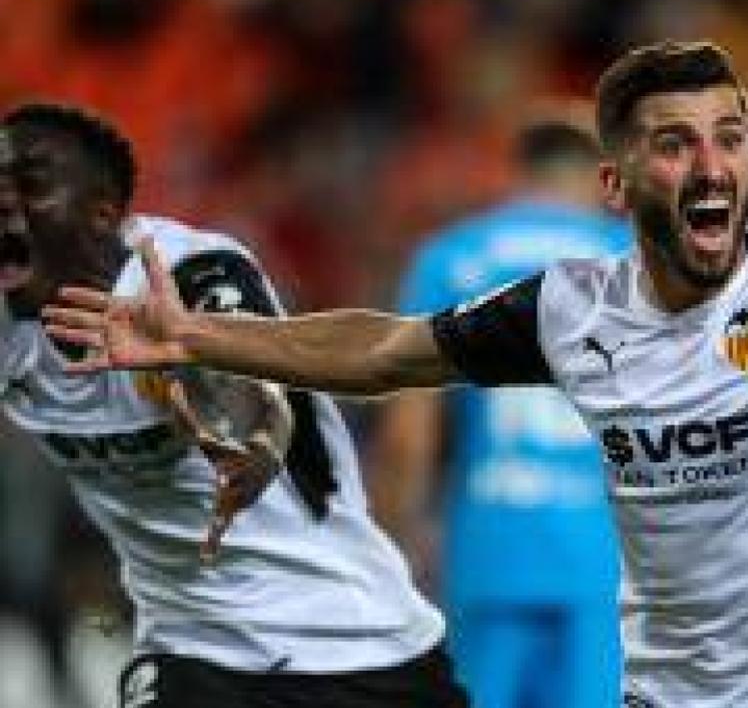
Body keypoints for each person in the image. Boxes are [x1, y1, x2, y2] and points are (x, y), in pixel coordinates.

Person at [45, 41, 748, 708]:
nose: (713, 164)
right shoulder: (572, 307)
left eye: (732, 135)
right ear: (618, 186)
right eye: (677, 143)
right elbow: (387, 350)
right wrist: (200, 336)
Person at [0, 103, 468, 708]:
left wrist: (247, 437)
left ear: (103, 214)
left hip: (358, 640)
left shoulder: (192, 271)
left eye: (30, 182)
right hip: (190, 654)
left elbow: (253, 392)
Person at [370, 116, 628, 708]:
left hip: (490, 544)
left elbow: (409, 435)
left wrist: (392, 547)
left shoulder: (450, 257)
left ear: (515, 176)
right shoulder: (629, 259)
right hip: (602, 556)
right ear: (598, 179)